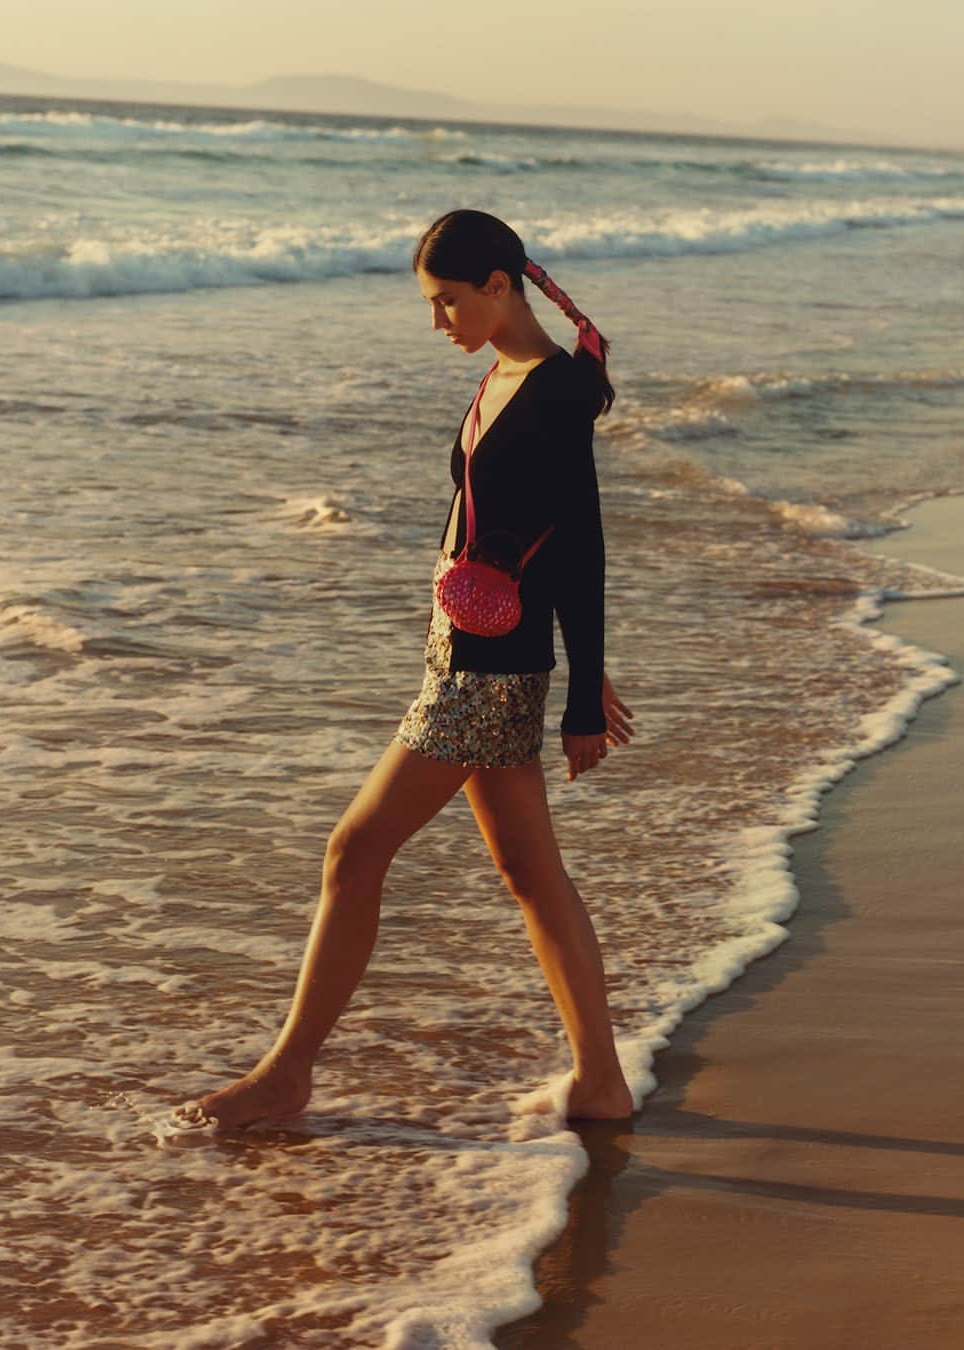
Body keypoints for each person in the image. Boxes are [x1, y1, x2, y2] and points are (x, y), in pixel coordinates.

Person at [173, 209, 635, 1131]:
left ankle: (287, 1075)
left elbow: (580, 550)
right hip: (466, 658)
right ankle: (599, 1082)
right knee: (532, 876)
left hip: (482, 673)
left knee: (354, 851)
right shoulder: (505, 376)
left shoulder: (550, 391)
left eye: (447, 302)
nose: (440, 323)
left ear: (498, 288)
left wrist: (585, 693)